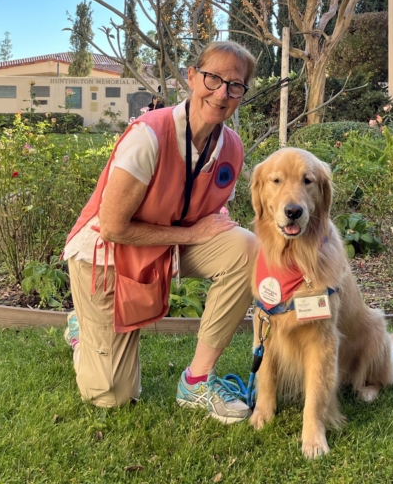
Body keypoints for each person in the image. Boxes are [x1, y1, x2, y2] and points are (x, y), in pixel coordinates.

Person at [62, 41, 257, 422]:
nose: (221, 93)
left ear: (241, 94)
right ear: (191, 76)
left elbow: (210, 204)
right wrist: (191, 236)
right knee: (111, 396)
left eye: (234, 86)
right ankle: (81, 329)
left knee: (246, 248)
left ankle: (197, 382)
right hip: (107, 254)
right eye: (213, 78)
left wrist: (209, 227)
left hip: (168, 241)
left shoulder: (232, 147)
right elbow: (115, 227)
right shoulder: (148, 135)